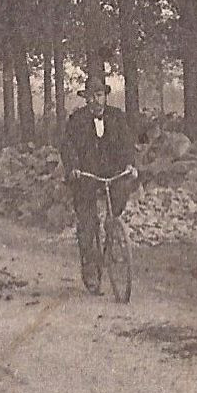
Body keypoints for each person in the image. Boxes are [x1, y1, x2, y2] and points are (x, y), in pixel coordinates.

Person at [60, 77, 137, 293]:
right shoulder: (77, 120)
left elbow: (127, 143)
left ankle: (112, 234)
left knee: (118, 203)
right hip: (86, 175)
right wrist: (73, 168)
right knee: (87, 223)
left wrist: (130, 164)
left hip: (112, 173)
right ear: (86, 99)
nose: (96, 100)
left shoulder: (117, 117)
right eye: (92, 96)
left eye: (100, 94)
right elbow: (67, 146)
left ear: (105, 95)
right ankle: (91, 271)